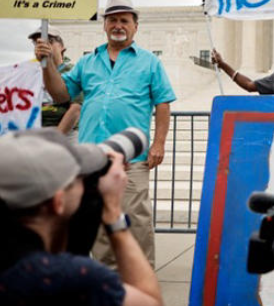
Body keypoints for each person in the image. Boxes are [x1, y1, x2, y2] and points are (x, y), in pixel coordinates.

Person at [33, 0, 176, 268]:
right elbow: (61, 94)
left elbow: (163, 103)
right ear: (104, 25)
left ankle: (140, 278)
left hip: (133, 157)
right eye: (112, 20)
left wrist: (159, 144)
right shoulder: (88, 62)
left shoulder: (149, 62)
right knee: (97, 221)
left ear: (135, 26)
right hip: (93, 157)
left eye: (124, 20)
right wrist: (48, 63)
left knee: (137, 218)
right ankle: (108, 277)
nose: (118, 25)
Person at [0, 128, 163, 306]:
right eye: (78, 179)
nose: (84, 184)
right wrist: (113, 214)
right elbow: (151, 302)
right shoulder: (69, 277)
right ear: (58, 202)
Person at [28, 26, 82, 140]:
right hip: (34, 132)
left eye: (50, 41)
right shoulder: (30, 73)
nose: (43, 45)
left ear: (62, 47)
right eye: (37, 42)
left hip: (66, 134)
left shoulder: (73, 71)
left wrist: (55, 139)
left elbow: (76, 109)